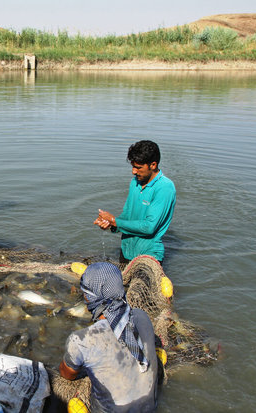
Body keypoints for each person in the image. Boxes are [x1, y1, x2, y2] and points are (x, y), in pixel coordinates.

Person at [59, 262, 159, 412]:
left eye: (85, 292)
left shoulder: (82, 340)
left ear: (89, 297)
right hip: (150, 406)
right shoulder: (141, 316)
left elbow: (67, 374)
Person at [94, 140, 176, 264]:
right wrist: (110, 224)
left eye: (138, 168)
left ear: (153, 165)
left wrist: (115, 221)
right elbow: (127, 215)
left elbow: (149, 227)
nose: (133, 171)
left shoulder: (164, 188)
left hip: (148, 257)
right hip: (126, 251)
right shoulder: (135, 182)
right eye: (133, 166)